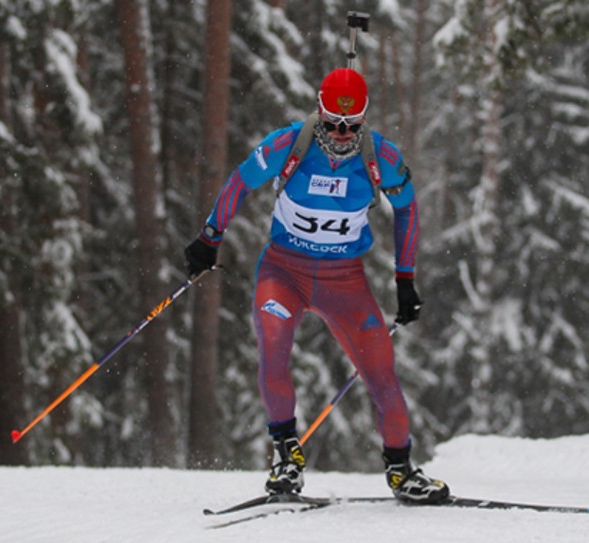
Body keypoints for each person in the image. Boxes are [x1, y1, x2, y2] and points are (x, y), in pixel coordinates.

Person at [184, 68, 449, 504]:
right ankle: (286, 460)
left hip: (344, 280)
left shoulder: (380, 157)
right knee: (273, 347)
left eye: (352, 124)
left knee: (383, 374)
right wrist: (210, 236)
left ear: (364, 117)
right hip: (282, 272)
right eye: (332, 123)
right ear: (319, 112)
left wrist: (405, 279)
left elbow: (408, 209)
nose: (342, 133)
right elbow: (239, 182)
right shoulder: (289, 145)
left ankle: (402, 472)